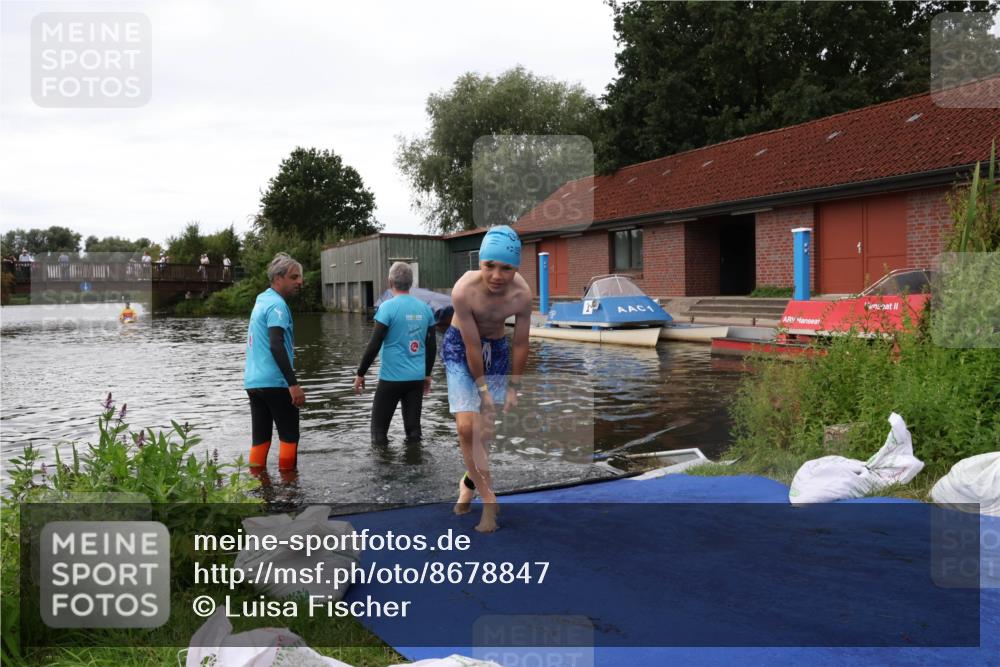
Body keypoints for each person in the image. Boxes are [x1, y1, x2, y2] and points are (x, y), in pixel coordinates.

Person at [443, 225, 531, 533]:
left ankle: (469, 483)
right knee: (467, 427)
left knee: (484, 432)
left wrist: (514, 387)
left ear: (516, 266)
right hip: (461, 348)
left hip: (497, 350)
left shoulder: (521, 295)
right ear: (478, 263)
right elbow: (470, 346)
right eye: (488, 266)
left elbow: (520, 342)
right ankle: (489, 501)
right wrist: (481, 389)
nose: (496, 275)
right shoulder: (463, 291)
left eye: (506, 268)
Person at [353, 262, 436, 445]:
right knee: (414, 432)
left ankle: (383, 471)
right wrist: (427, 375)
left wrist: (360, 373)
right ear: (411, 283)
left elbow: (374, 345)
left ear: (390, 282)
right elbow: (431, 347)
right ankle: (415, 466)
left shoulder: (387, 308)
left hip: (391, 380)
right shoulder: (426, 309)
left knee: (378, 433)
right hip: (415, 379)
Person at [244, 253, 305, 474]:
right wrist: (293, 384)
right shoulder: (277, 306)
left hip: (254, 383)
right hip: (276, 383)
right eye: (294, 277)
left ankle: (258, 488)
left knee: (260, 439)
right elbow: (276, 345)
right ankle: (289, 490)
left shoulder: (262, 300)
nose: (300, 282)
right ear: (278, 278)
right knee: (289, 437)